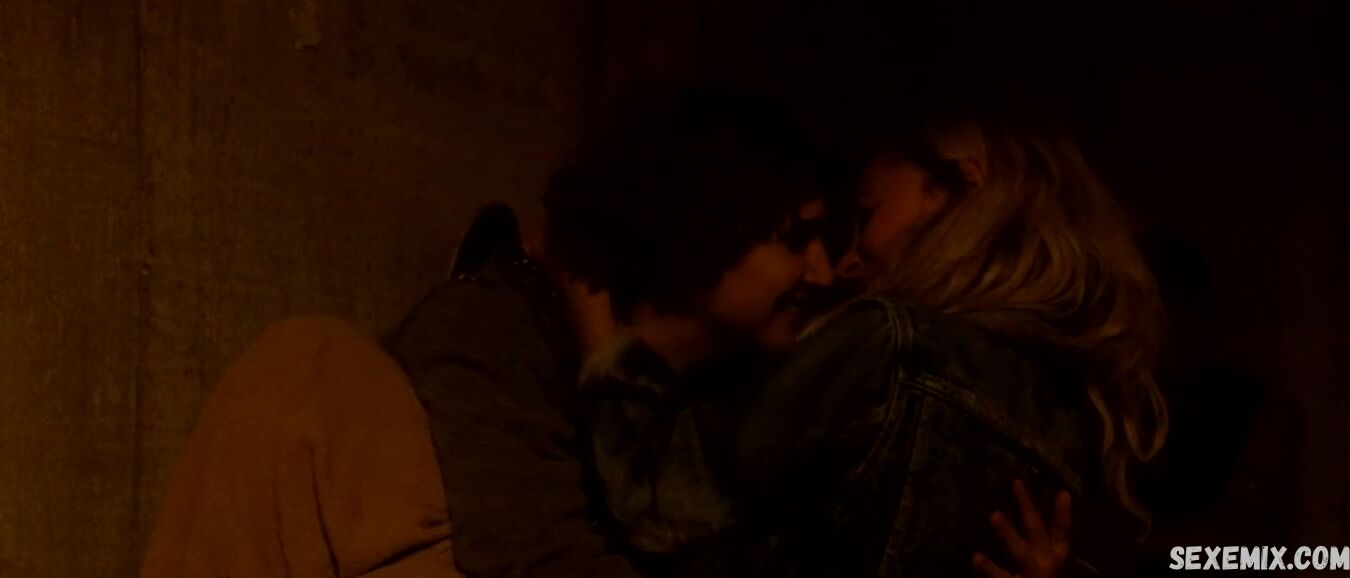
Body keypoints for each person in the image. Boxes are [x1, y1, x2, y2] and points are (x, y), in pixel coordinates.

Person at [580, 115, 1166, 577]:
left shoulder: (890, 345)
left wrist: (603, 335)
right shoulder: (1081, 407)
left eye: (870, 211)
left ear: (963, 187)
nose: (846, 260)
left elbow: (660, 510)